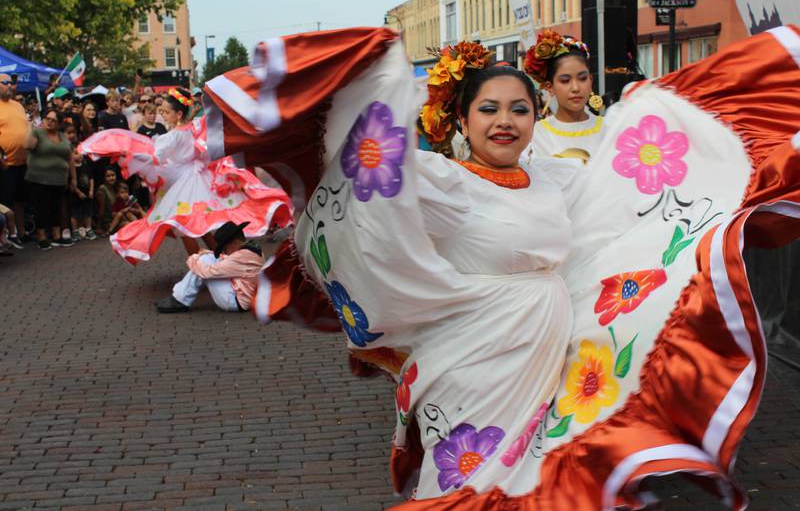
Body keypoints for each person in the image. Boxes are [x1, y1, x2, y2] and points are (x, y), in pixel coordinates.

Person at [202, 28, 800, 508]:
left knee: (533, 485)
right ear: (461, 121)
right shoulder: (440, 179)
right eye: (488, 109)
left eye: (519, 109)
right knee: (468, 479)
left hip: (546, 354)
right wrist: (380, 71)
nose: (504, 120)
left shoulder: (553, 179)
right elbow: (367, 181)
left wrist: (720, 164)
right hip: (470, 359)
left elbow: (631, 192)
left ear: (535, 120)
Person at [76, 87, 292, 264]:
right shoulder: (194, 128)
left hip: (187, 182)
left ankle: (199, 265)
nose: (164, 115)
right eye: (163, 111)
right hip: (196, 178)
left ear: (179, 114)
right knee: (200, 225)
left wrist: (128, 152)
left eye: (167, 112)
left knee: (186, 227)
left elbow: (154, 156)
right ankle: (224, 261)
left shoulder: (175, 135)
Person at [525, 31, 604, 167]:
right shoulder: (536, 135)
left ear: (591, 80)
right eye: (565, 80)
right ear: (550, 87)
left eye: (582, 78)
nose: (575, 88)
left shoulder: (608, 129)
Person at [156, 221, 264, 313]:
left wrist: (193, 258)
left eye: (225, 248)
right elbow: (226, 259)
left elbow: (208, 272)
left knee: (202, 264)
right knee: (206, 259)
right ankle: (179, 298)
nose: (225, 252)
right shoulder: (250, 250)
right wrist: (206, 254)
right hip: (242, 295)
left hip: (235, 302)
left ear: (233, 243)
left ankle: (179, 299)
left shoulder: (242, 256)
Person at [23, 108, 74, 249]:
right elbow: (27, 145)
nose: (50, 122)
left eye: (53, 120)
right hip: (39, 178)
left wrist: (73, 178)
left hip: (59, 178)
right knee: (41, 207)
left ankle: (57, 236)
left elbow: (70, 157)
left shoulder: (63, 136)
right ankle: (41, 237)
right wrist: (29, 126)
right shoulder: (37, 133)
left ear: (59, 123)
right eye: (48, 118)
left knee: (56, 207)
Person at [0, 73, 31, 246]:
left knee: (21, 200)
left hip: (22, 162)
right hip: (5, 164)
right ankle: (7, 236)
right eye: (4, 83)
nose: (9, 86)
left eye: (11, 82)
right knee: (6, 201)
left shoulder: (18, 105)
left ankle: (21, 231)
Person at [69, 147, 95, 240]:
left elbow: (91, 178)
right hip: (75, 195)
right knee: (75, 213)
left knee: (87, 212)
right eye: (76, 153)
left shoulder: (85, 165)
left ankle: (88, 229)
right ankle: (75, 232)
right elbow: (71, 182)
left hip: (87, 194)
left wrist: (91, 190)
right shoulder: (71, 168)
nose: (79, 155)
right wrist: (78, 192)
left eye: (80, 153)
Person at [95, 167, 118, 237]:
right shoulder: (102, 189)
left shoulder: (115, 187)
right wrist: (99, 227)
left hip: (116, 217)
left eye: (113, 175)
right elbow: (101, 209)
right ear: (104, 178)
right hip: (107, 221)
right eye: (108, 176)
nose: (111, 178)